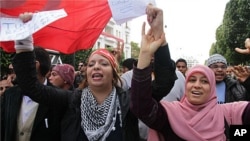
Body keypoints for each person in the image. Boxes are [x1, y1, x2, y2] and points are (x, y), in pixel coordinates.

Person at [12, 8, 176, 141]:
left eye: (103, 64)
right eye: (91, 64)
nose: (96, 67)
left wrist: (159, 39)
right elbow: (31, 87)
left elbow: (163, 83)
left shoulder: (129, 100)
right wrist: (24, 41)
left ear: (114, 73)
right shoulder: (71, 100)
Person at [1, 47, 63, 141]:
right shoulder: (10, 94)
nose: (13, 67)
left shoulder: (58, 98)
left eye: (18, 62)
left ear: (35, 65)